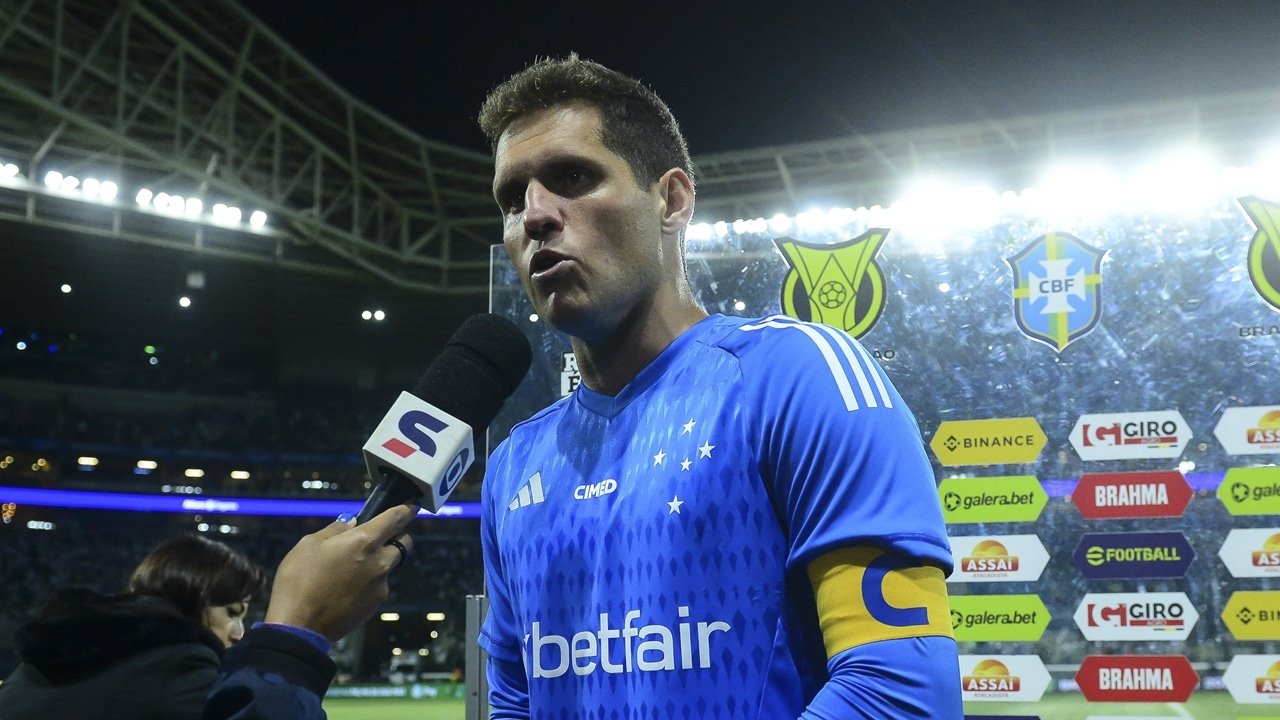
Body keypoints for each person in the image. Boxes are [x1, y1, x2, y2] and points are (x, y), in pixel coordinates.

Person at [475, 54, 963, 718]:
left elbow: (900, 690)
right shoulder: (513, 468)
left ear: (671, 199)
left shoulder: (799, 378)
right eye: (512, 198)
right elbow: (515, 707)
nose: (535, 216)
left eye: (572, 177)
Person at [0, 534, 265, 720]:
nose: (239, 633)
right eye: (232, 613)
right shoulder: (179, 662)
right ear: (194, 597)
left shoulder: (69, 639)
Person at [202, 504, 414, 720]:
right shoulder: (182, 695)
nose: (239, 633)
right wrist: (295, 638)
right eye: (230, 613)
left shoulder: (188, 686)